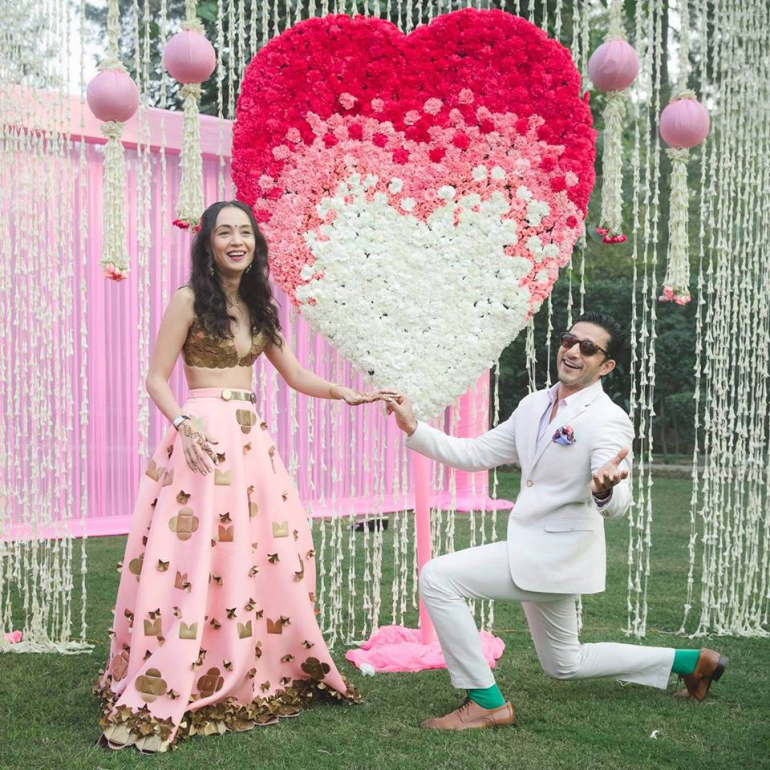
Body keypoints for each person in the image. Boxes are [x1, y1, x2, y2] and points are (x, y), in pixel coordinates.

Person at [97, 200, 392, 752]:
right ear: (206, 242)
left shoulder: (260, 305)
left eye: (246, 232)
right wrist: (184, 424)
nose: (237, 240)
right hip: (202, 437)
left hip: (249, 438)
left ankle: (251, 654)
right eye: (225, 232)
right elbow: (156, 378)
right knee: (192, 553)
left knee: (263, 548)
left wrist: (344, 391)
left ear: (256, 242)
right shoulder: (188, 300)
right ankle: (181, 662)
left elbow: (296, 374)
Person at [387, 311, 728, 731]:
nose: (573, 351)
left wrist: (604, 487)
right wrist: (414, 427)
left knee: (439, 577)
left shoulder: (608, 418)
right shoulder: (534, 404)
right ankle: (694, 662)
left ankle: (484, 701)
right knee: (565, 663)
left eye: (588, 347)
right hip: (536, 548)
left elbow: (618, 499)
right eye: (569, 340)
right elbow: (477, 453)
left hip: (556, 553)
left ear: (606, 366)